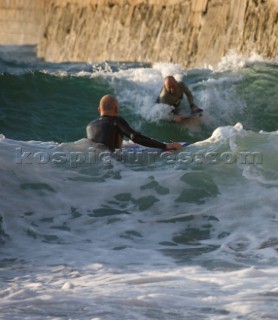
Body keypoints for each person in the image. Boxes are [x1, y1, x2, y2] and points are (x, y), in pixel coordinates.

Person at [86, 95, 182, 152]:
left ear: (99, 110)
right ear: (116, 109)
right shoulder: (116, 121)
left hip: (96, 161)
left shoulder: (89, 126)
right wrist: (165, 146)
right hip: (113, 162)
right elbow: (135, 137)